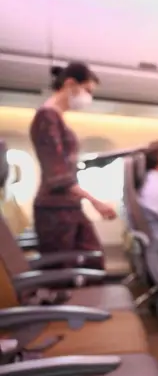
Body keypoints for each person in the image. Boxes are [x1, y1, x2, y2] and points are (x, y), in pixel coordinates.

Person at [30, 62, 116, 270]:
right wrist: (96, 201)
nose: (88, 98)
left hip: (66, 205)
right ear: (70, 84)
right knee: (70, 270)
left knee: (92, 262)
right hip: (55, 210)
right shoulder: (47, 117)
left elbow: (64, 165)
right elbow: (57, 174)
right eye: (87, 91)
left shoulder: (56, 118)